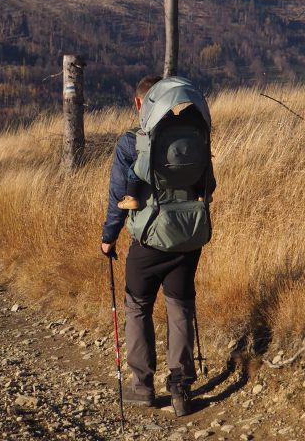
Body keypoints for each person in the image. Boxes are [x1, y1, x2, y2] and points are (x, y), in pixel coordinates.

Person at [100, 75, 215, 417]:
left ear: (141, 104)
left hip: (148, 239)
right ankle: (181, 388)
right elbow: (210, 185)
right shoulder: (193, 137)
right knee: (180, 308)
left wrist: (109, 237)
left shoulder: (130, 142)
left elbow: (119, 196)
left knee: (137, 306)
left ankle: (143, 386)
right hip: (188, 238)